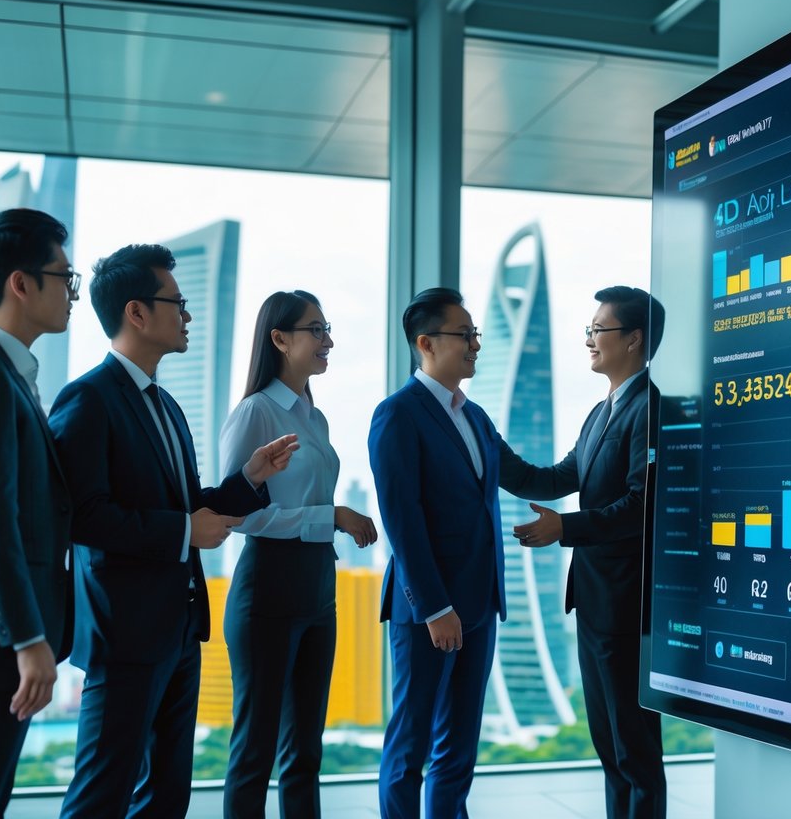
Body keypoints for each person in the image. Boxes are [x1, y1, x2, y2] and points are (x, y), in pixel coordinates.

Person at [49, 244, 299, 818]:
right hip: (126, 632)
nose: (186, 314)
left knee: (167, 796)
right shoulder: (87, 400)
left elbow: (191, 508)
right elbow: (83, 515)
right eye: (176, 302)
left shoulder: (167, 406)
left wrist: (250, 477)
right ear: (136, 313)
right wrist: (181, 532)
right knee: (101, 795)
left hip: (181, 628)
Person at [219, 290, 377, 818]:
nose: (327, 339)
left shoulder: (315, 415)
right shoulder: (254, 413)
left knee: (306, 752)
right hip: (267, 587)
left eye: (327, 327)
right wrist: (329, 517)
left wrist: (324, 518)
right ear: (280, 339)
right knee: (254, 753)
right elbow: (237, 514)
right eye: (315, 329)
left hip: (316, 588)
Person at [511, 286, 667, 819]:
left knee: (635, 751)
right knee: (609, 747)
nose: (590, 340)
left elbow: (640, 506)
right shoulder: (600, 413)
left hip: (626, 605)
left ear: (634, 339)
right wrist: (487, 442)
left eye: (598, 330)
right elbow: (555, 477)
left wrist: (565, 528)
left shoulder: (650, 407)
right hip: (596, 603)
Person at [369, 287, 514, 818]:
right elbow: (402, 520)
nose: (476, 343)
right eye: (465, 334)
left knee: (458, 750)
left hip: (479, 605)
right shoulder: (397, 415)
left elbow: (523, 476)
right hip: (429, 611)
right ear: (426, 343)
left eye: (476, 334)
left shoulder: (474, 416)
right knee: (409, 751)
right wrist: (434, 606)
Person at [0, 209, 76, 819]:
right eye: (64, 278)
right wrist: (27, 638)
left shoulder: (12, 374)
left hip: (1, 644)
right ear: (21, 283)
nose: (71, 294)